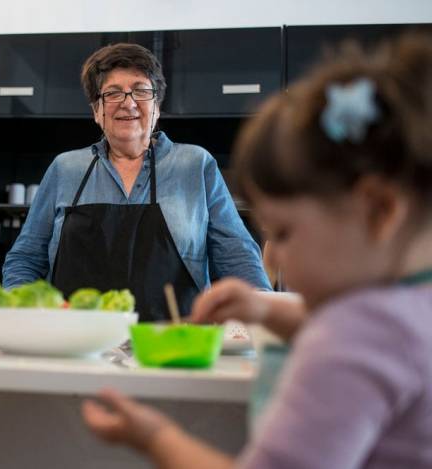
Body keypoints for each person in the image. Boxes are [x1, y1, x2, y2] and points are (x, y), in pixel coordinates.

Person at [82, 32, 432, 469]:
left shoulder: (352, 340)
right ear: (96, 109)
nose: (276, 256)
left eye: (284, 233)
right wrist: (266, 311)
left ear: (380, 212)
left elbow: (349, 334)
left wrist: (155, 437)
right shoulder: (409, 309)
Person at [2, 43, 270, 321]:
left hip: (173, 348)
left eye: (141, 90)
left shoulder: (196, 165)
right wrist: (20, 319)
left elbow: (236, 255)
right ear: (96, 110)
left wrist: (265, 322)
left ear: (157, 107)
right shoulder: (65, 169)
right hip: (77, 348)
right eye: (113, 93)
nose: (128, 102)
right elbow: (26, 259)